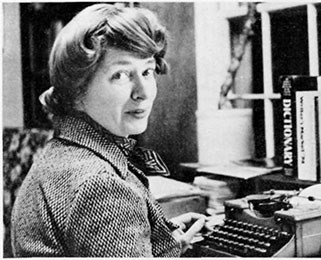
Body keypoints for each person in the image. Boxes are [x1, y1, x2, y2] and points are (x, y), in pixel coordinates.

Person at [11, 3, 208, 257]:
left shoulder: (61, 151)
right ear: (77, 91)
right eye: (121, 75)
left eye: (147, 71)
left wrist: (161, 243)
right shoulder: (101, 185)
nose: (144, 93)